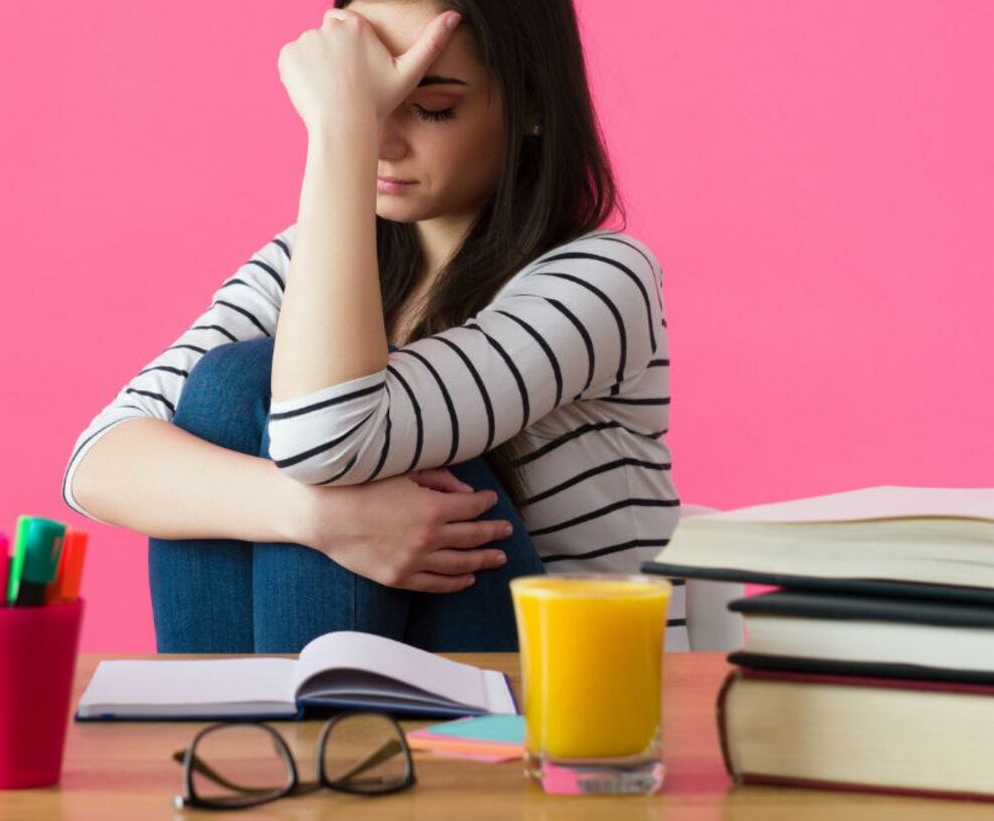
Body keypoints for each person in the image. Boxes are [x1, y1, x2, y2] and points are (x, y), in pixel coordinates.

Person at [61, 0, 681, 654]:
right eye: (366, 96)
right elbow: (100, 460)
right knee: (229, 386)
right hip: (418, 678)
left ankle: (293, 752)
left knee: (269, 387)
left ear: (531, 103)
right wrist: (320, 520)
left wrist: (340, 131)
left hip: (574, 695)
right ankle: (248, 749)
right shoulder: (309, 261)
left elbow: (326, 436)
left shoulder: (605, 278)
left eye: (430, 105)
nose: (381, 138)